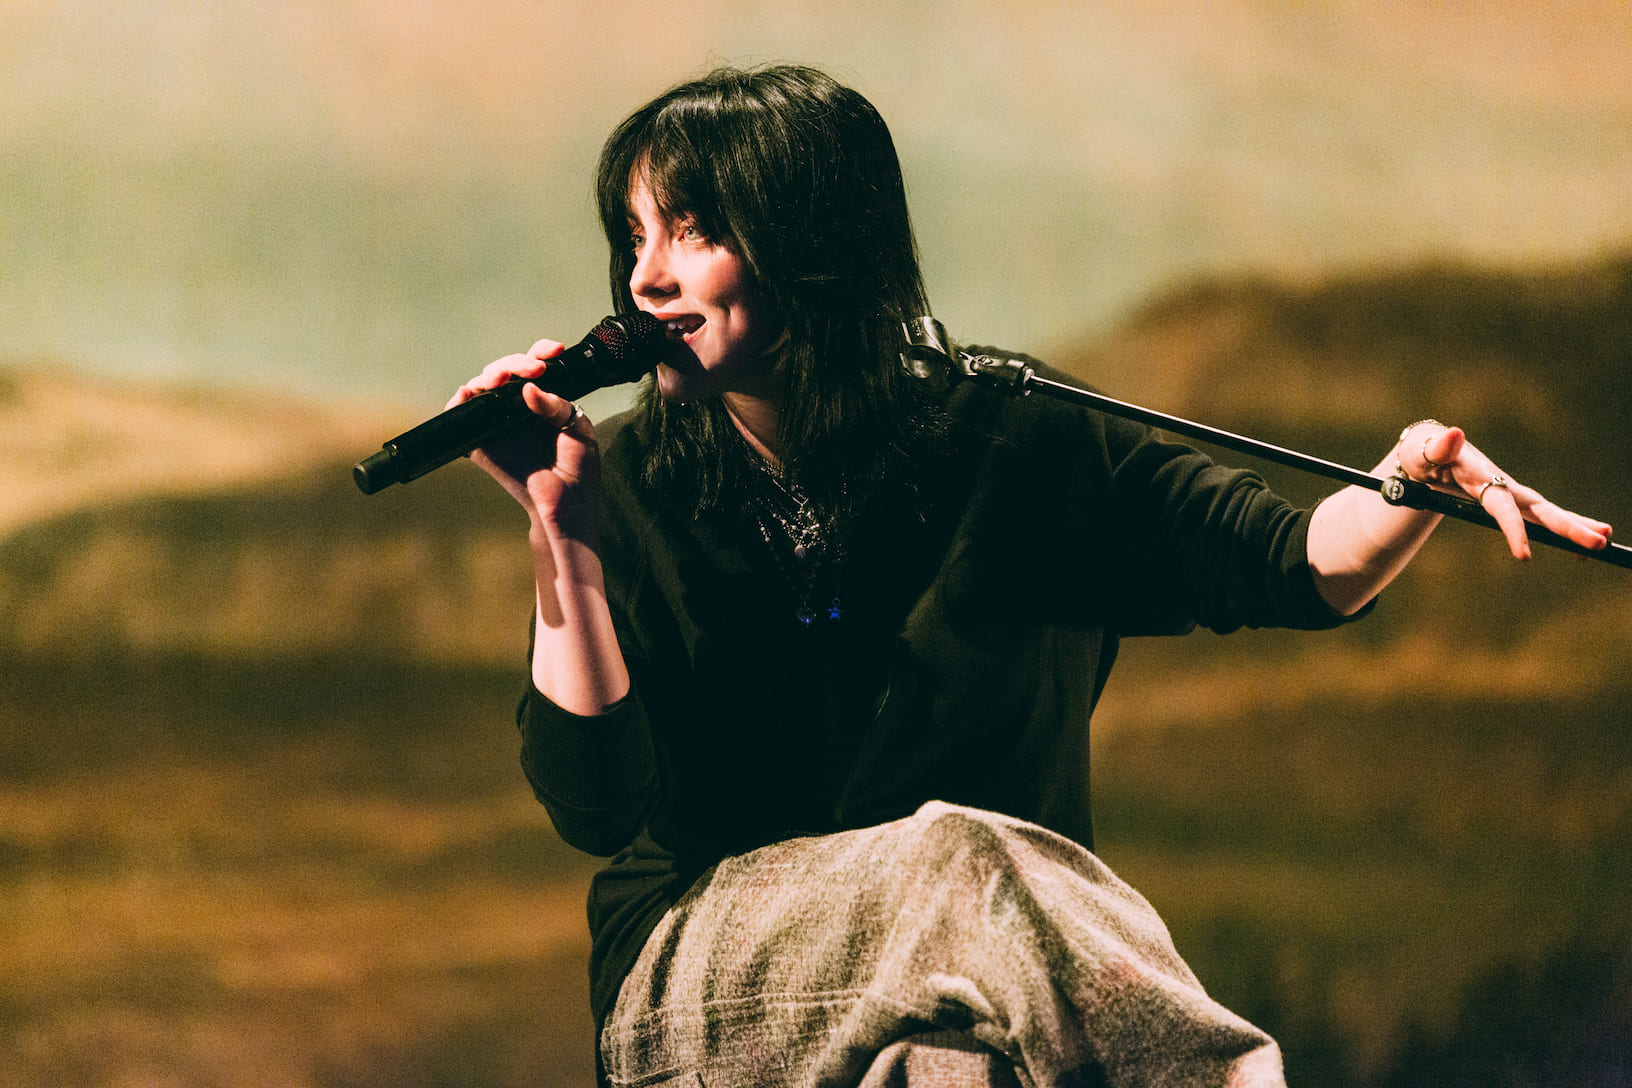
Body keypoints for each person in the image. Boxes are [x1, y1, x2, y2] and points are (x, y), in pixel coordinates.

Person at [448, 65, 1612, 1087]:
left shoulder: (1011, 435)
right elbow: (595, 808)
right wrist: (564, 532)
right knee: (962, 856)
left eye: (693, 231)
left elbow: (1293, 563)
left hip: (970, 984)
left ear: (814, 242)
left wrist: (1411, 481)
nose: (645, 278)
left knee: (952, 1068)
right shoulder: (625, 477)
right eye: (635, 236)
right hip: (699, 982)